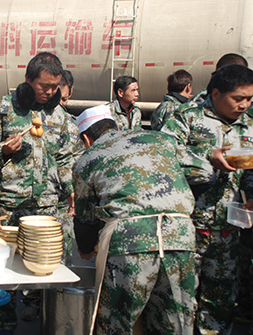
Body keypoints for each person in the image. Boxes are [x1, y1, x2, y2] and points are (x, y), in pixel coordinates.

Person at [73, 104, 213, 334]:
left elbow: (85, 219)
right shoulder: (160, 139)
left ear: (87, 139)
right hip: (179, 235)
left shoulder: (88, 159)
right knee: (175, 321)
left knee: (119, 322)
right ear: (115, 126)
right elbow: (206, 173)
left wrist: (87, 248)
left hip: (129, 241)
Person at [0, 52, 77, 324]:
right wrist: (2, 150)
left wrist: (71, 189)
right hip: (9, 205)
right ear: (28, 80)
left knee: (45, 269)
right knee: (2, 271)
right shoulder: (3, 110)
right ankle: (2, 324)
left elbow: (66, 157)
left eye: (55, 87)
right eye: (44, 86)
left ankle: (44, 319)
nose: (50, 92)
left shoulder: (60, 116)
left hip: (46, 208)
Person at [161, 64, 253, 334]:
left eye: (250, 99)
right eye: (238, 98)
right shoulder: (187, 118)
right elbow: (162, 152)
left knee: (220, 300)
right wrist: (206, 157)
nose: (244, 105)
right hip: (188, 226)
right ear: (215, 94)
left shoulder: (248, 125)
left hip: (227, 231)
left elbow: (250, 170)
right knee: (179, 299)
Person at [57, 69, 82, 265]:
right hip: (37, 201)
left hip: (65, 202)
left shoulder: (73, 125)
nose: (59, 106)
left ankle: (56, 295)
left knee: (61, 254)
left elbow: (79, 159)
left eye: (63, 100)